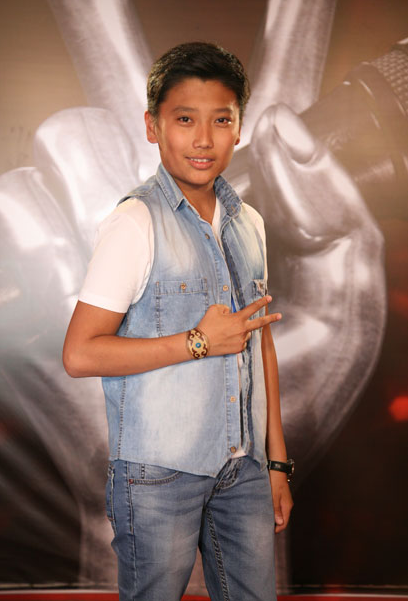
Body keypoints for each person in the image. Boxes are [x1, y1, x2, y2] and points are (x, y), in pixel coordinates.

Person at [63, 41, 294, 600]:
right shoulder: (135, 221)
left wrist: (277, 462)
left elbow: (258, 342)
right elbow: (80, 353)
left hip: (243, 469)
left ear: (239, 128)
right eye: (185, 119)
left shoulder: (249, 223)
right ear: (153, 126)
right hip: (157, 474)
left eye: (221, 119)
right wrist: (197, 341)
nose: (204, 139)